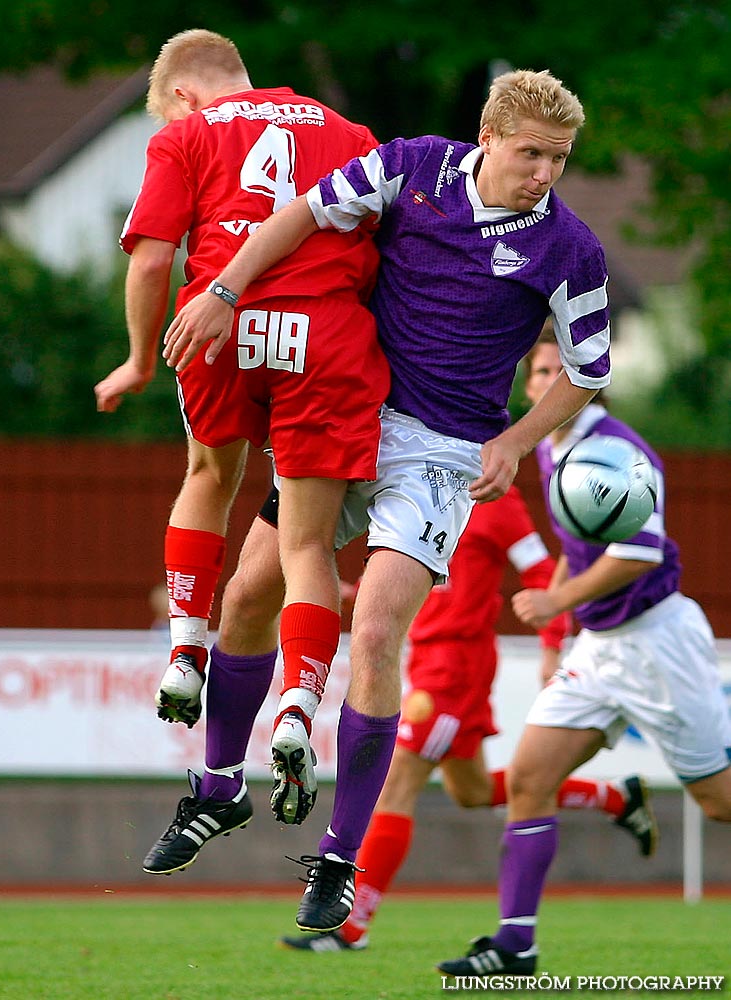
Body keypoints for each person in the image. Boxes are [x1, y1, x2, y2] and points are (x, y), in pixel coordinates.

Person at [151, 68, 612, 934]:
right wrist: (222, 288)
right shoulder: (413, 168)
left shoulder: (568, 247)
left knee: (372, 633)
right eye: (530, 153)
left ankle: (336, 859)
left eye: (558, 158)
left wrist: (513, 441)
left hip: (440, 456)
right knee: (248, 594)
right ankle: (217, 786)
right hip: (346, 411)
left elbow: (589, 372)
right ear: (487, 138)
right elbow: (300, 214)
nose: (545, 172)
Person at [93, 29, 391, 831]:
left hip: (220, 323)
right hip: (324, 337)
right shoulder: (347, 132)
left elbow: (152, 259)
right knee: (305, 544)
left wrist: (136, 361)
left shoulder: (186, 135)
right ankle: (298, 703)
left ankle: (188, 649)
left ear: (184, 95)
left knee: (207, 478)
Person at [437, 326, 731, 979]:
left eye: (554, 374)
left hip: (657, 642)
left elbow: (639, 553)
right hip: (598, 648)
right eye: (536, 375)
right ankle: (515, 947)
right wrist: (564, 636)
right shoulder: (549, 446)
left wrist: (554, 601)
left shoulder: (616, 451)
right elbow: (583, 547)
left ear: (586, 382)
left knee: (718, 803)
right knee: (529, 780)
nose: (541, 386)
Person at [279, 485, 658, 952]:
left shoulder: (498, 498)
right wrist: (361, 593)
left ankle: (351, 927)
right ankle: (614, 798)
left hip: (456, 670)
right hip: (425, 660)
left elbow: (541, 570)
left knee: (396, 784)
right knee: (473, 790)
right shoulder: (424, 477)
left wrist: (551, 644)